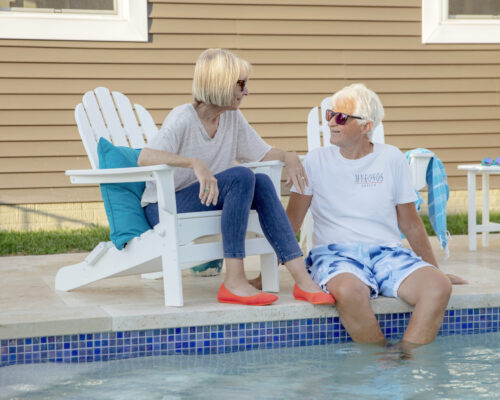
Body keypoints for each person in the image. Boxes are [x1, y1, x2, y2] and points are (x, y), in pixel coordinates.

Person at [138, 48, 334, 307]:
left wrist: (289, 156)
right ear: (220, 83)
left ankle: (302, 279)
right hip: (165, 206)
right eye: (241, 84)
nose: (246, 91)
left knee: (261, 181)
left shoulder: (231, 118)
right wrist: (193, 163)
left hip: (207, 197)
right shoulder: (183, 117)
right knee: (242, 175)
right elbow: (145, 157)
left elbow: (261, 153)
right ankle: (234, 281)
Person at [285, 83, 464, 348]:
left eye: (342, 118)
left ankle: (406, 358)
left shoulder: (391, 158)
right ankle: (382, 359)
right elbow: (291, 223)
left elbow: (410, 223)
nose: (333, 122)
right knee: (349, 291)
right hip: (336, 255)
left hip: (387, 253)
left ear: (366, 126)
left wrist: (433, 269)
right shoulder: (314, 161)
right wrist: (265, 273)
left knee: (437, 287)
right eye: (330, 115)